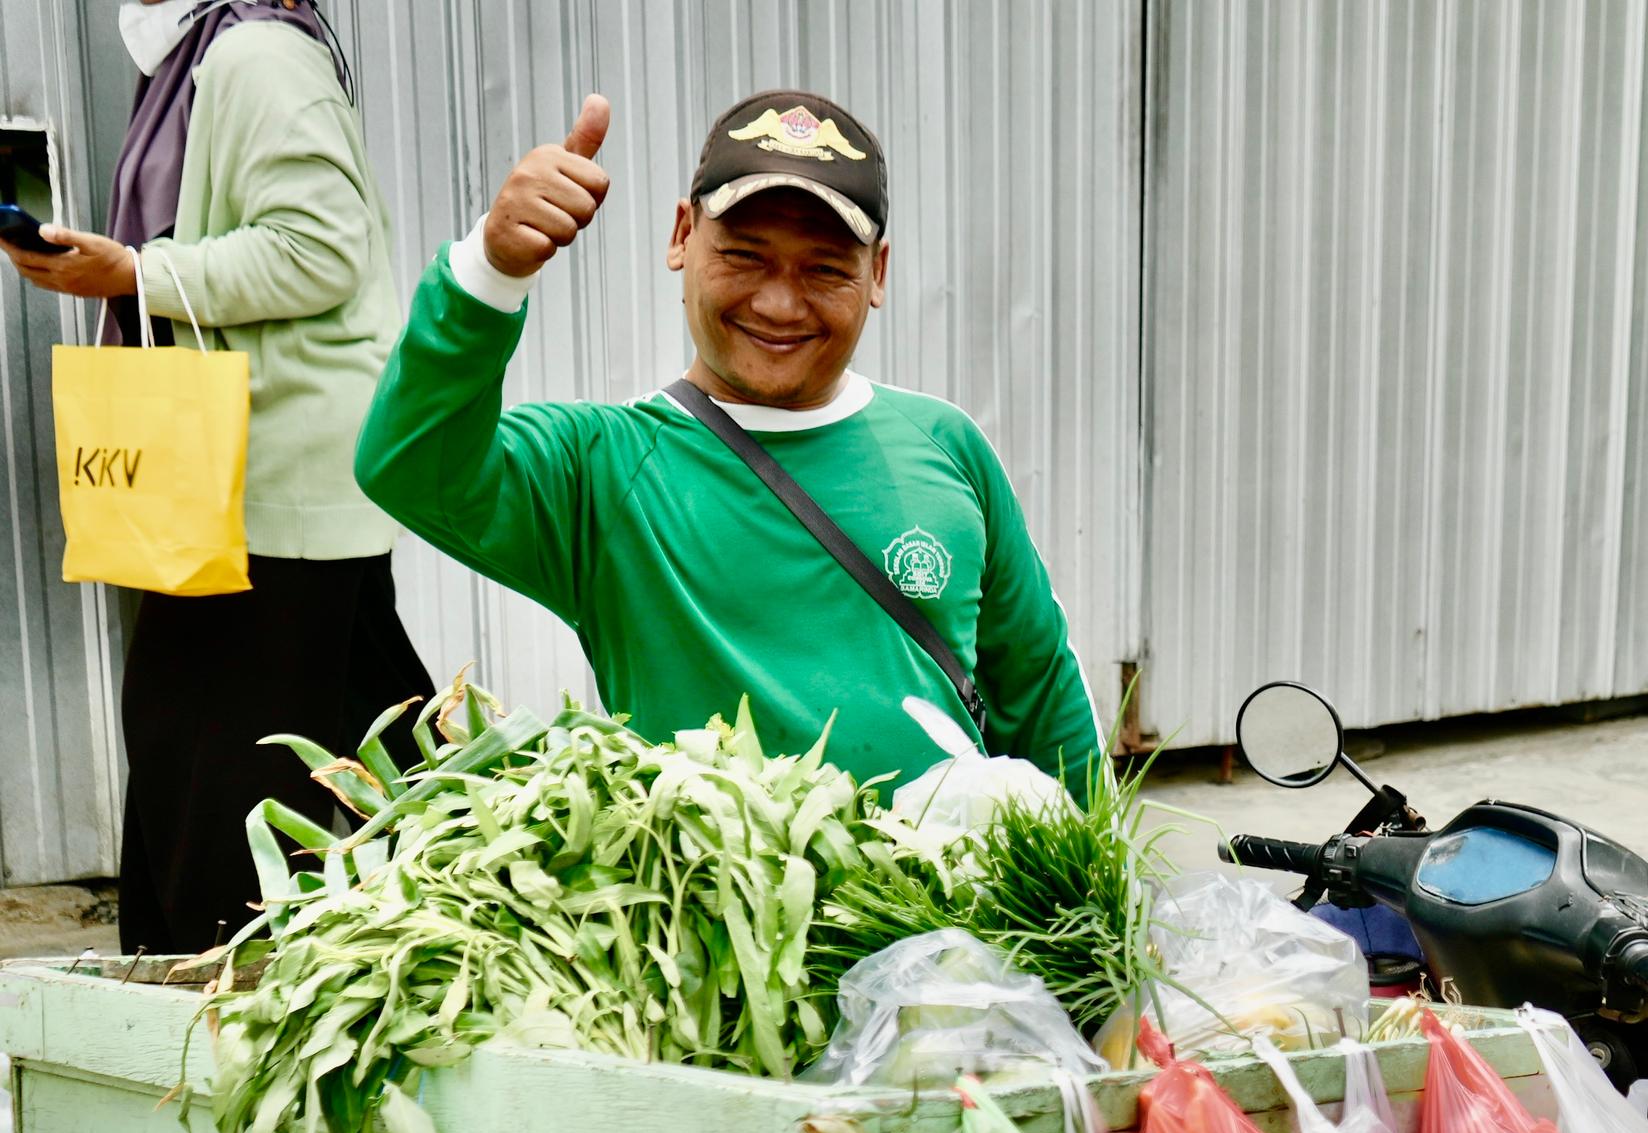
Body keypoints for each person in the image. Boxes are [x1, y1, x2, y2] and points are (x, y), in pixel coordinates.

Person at [354, 89, 1101, 795]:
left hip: (942, 924)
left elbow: (1039, 688)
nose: (779, 303)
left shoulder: (945, 444)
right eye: (744, 256)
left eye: (824, 269)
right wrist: (490, 274)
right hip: (714, 926)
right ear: (683, 236)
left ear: (877, 273)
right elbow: (412, 467)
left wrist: (1093, 898)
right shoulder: (604, 470)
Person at [0, 0, 431, 955]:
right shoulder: (204, 54)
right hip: (258, 479)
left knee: (218, 791)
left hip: (268, 484)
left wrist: (140, 273)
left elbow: (321, 250)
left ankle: (209, 1015)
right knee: (371, 755)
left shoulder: (256, 56)